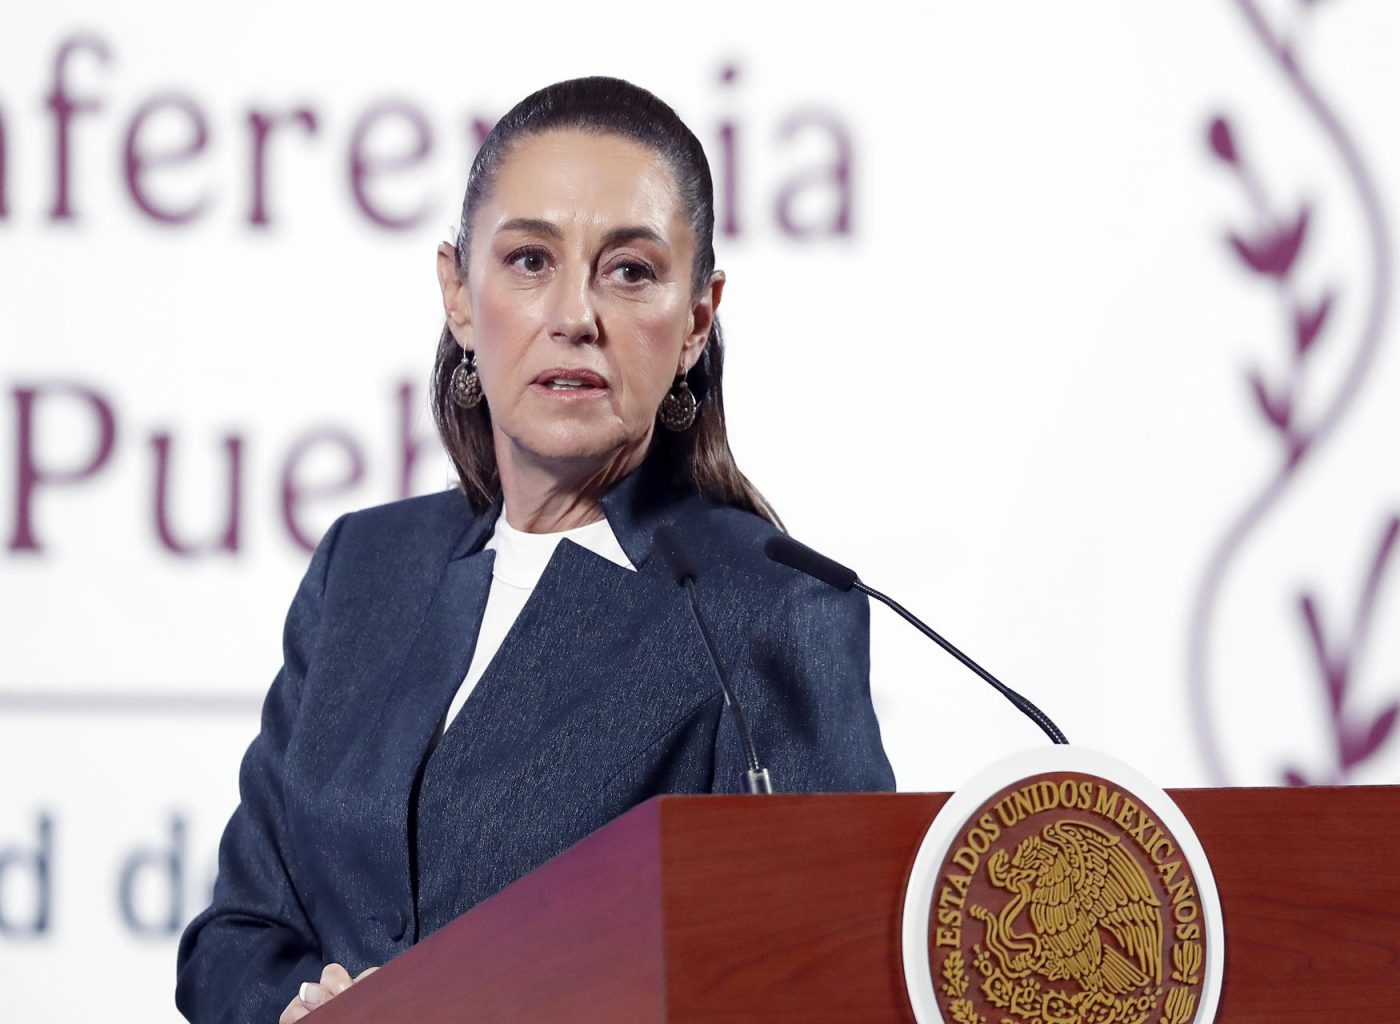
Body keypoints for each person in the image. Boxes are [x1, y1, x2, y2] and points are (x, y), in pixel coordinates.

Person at [174, 76, 896, 1024]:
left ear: (697, 318)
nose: (574, 315)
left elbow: (821, 985)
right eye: (527, 260)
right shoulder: (364, 567)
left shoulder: (768, 609)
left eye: (630, 271)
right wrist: (302, 1010)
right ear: (459, 294)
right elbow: (232, 939)